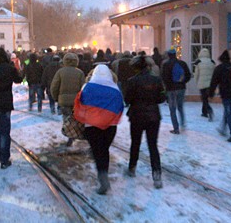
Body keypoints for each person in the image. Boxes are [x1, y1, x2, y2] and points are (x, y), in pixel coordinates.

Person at [74, 64, 124, 194]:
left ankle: (102, 177)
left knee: (97, 152)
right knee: (105, 151)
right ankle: (104, 174)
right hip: (110, 127)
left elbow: (81, 102)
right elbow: (120, 106)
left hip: (92, 126)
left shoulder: (87, 87)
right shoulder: (115, 89)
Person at [124, 55, 166, 189]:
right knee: (153, 145)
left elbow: (127, 99)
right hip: (153, 116)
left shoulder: (131, 81)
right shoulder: (157, 80)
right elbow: (162, 98)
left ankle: (132, 168)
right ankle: (157, 174)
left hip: (136, 115)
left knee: (135, 143)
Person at [50, 53, 85, 147]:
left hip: (64, 101)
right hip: (76, 101)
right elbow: (83, 88)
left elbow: (54, 87)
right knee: (76, 119)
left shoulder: (60, 72)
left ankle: (69, 136)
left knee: (66, 118)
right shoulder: (80, 72)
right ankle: (74, 136)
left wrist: (56, 97)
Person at [209, 50, 231, 143]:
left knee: (228, 111)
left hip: (225, 93)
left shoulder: (219, 68)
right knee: (228, 110)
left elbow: (214, 82)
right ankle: (223, 128)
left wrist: (211, 93)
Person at [160, 47, 191, 134]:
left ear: (169, 55)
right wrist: (183, 82)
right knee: (180, 107)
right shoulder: (182, 63)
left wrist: (166, 87)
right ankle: (183, 123)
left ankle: (176, 128)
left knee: (172, 109)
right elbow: (188, 75)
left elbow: (164, 77)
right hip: (181, 88)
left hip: (171, 89)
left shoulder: (166, 64)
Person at [194, 48, 215, 121]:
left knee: (204, 98)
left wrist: (196, 81)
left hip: (202, 83)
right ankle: (204, 112)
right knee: (205, 98)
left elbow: (196, 74)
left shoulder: (198, 62)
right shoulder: (212, 62)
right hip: (210, 84)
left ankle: (209, 110)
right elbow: (214, 74)